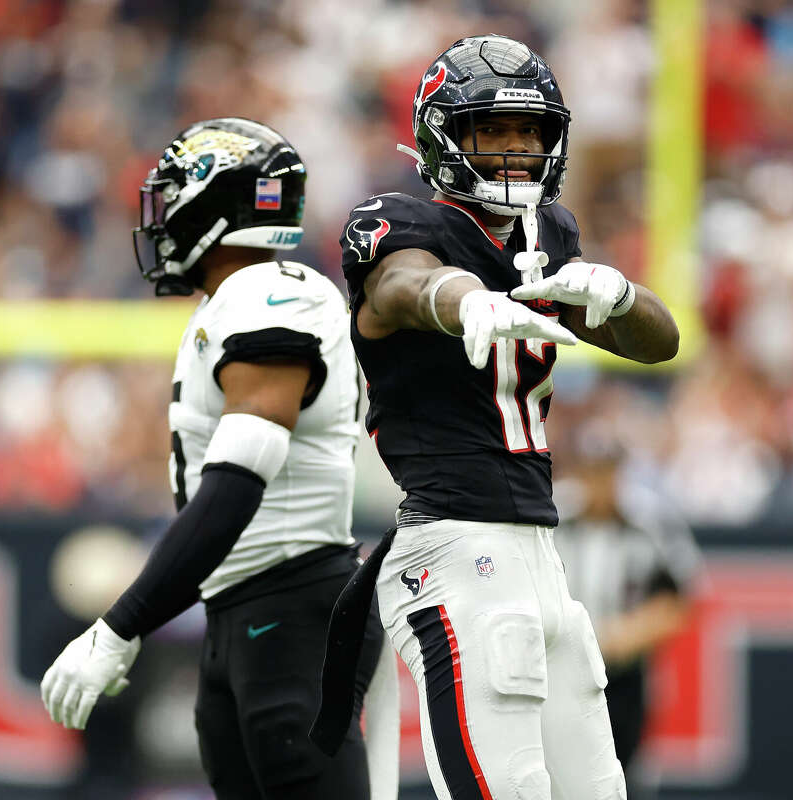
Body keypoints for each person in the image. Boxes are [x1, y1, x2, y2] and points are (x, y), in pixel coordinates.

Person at [311, 36, 679, 800]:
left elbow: (660, 341)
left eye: (530, 132)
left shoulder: (551, 238)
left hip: (543, 554)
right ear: (444, 136)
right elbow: (404, 286)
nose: (516, 150)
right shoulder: (399, 222)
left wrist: (616, 297)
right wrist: (465, 300)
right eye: (491, 131)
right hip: (454, 550)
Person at [40, 118, 398, 800]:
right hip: (249, 609)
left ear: (219, 206)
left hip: (291, 608)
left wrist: (121, 627)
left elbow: (237, 489)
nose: (161, 220)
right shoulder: (236, 303)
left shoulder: (272, 298)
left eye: (173, 199)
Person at [553, 426, 701, 797]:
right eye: (592, 471)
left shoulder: (650, 521)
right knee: (554, 773)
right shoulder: (550, 517)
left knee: (623, 774)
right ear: (579, 473)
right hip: (557, 673)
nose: (600, 483)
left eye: (607, 471)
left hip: (624, 674)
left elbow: (680, 597)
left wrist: (630, 633)